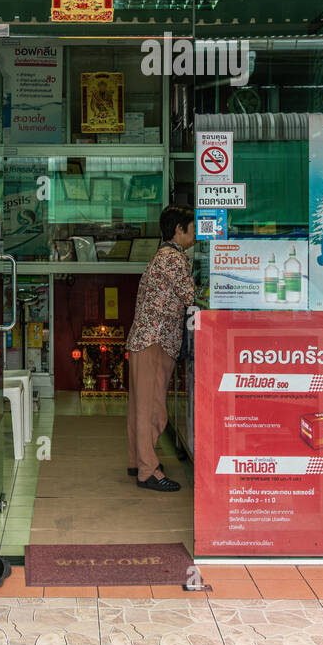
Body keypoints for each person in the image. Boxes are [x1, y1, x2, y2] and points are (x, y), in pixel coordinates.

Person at [125, 204, 195, 490]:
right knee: (152, 408)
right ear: (179, 229)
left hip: (145, 340)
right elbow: (191, 295)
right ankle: (148, 471)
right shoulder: (174, 260)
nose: (196, 236)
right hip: (155, 340)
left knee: (140, 406)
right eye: (192, 229)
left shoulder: (161, 256)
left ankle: (138, 460)